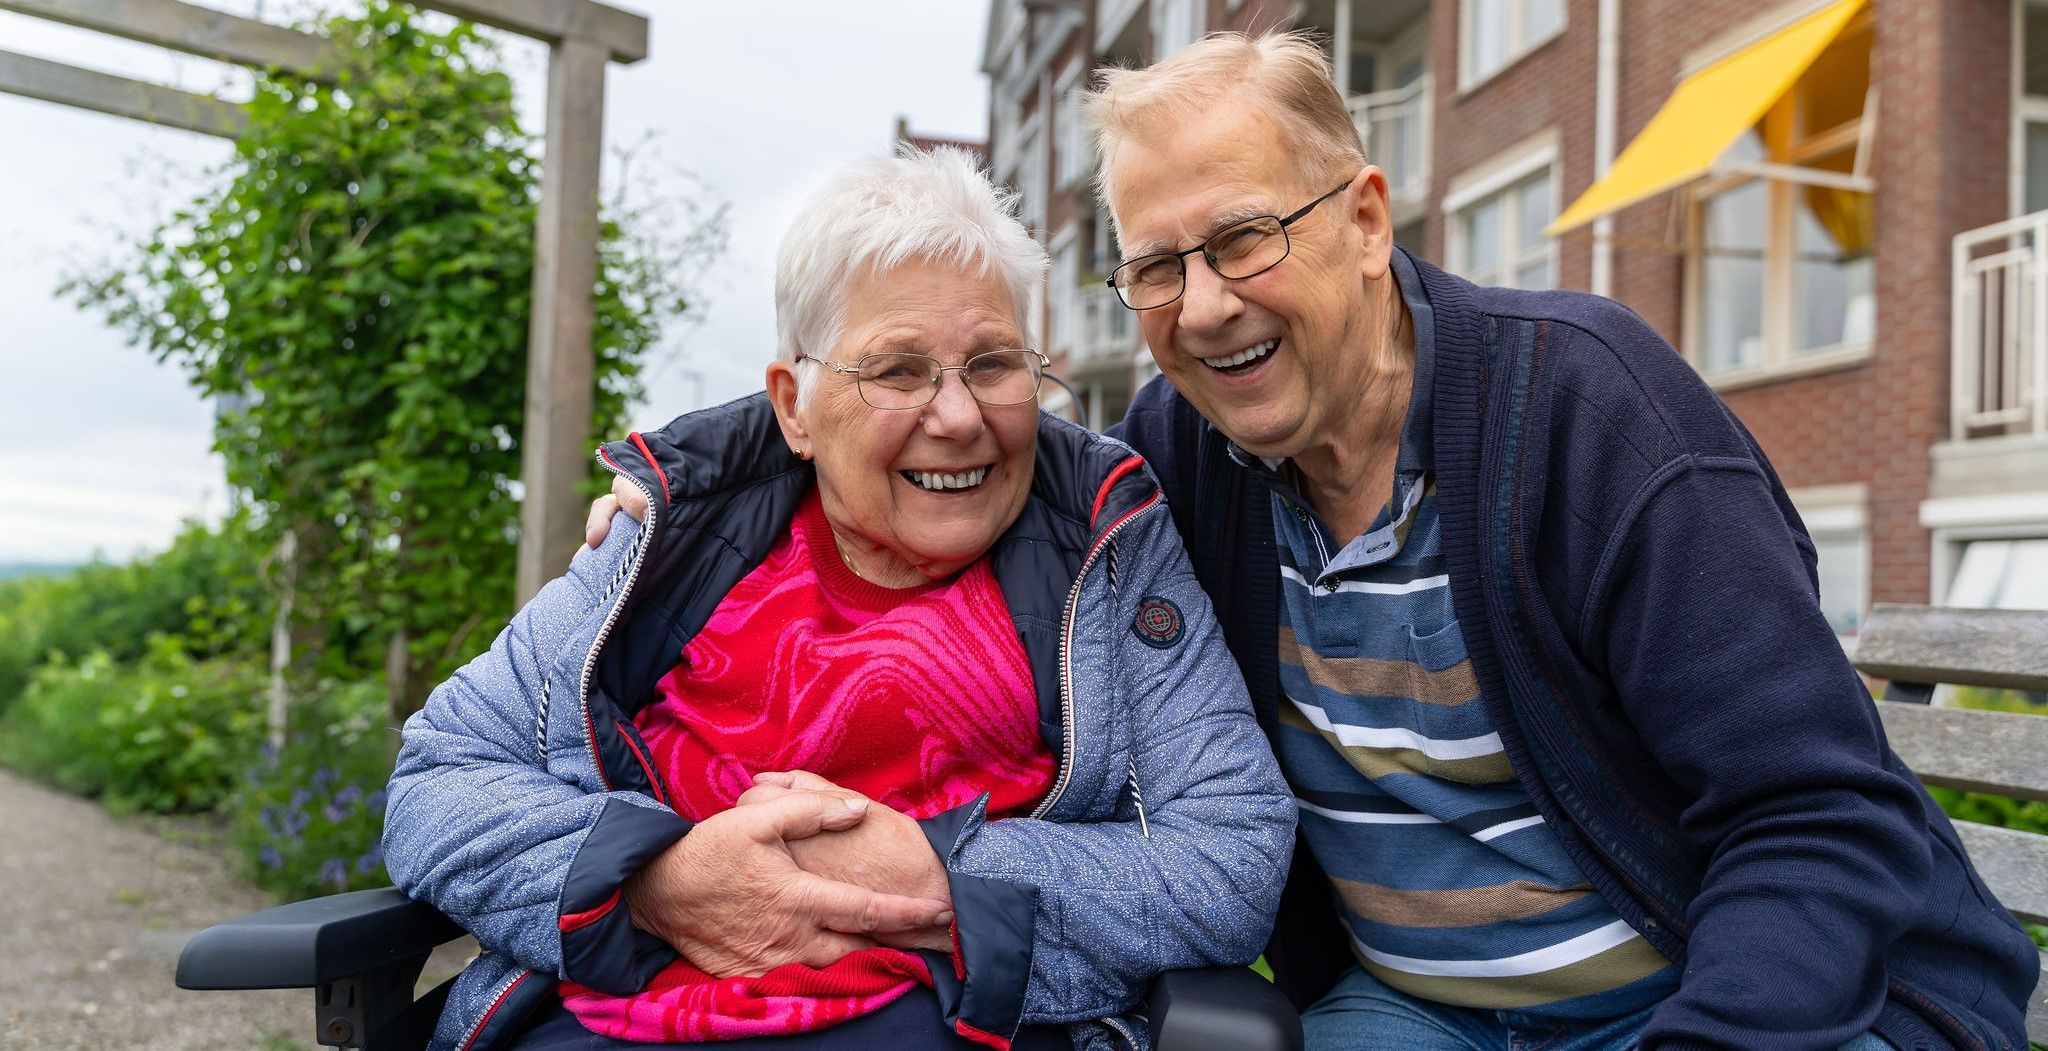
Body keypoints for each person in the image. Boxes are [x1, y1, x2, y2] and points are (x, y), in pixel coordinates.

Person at [590, 33, 2039, 1051]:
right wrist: (678, 501)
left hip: (1758, 1000)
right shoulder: (1176, 452)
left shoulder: (1591, 406)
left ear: (1362, 217)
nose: (1205, 303)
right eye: (1156, 265)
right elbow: (930, 417)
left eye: (1243, 238)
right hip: (1414, 1014)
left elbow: (1811, 815)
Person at [385, 146, 1294, 1051]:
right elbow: (438, 780)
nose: (958, 416)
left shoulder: (1108, 544)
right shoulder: (666, 544)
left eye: (992, 363)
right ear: (795, 406)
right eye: (897, 370)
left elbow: (1231, 854)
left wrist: (943, 875)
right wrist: (655, 876)